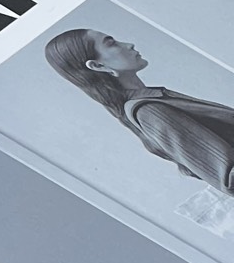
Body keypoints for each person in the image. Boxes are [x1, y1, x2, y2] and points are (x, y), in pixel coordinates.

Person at [44, 28, 234, 194]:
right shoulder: (148, 111)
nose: (129, 45)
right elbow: (227, 179)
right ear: (98, 66)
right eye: (112, 43)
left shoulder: (153, 101)